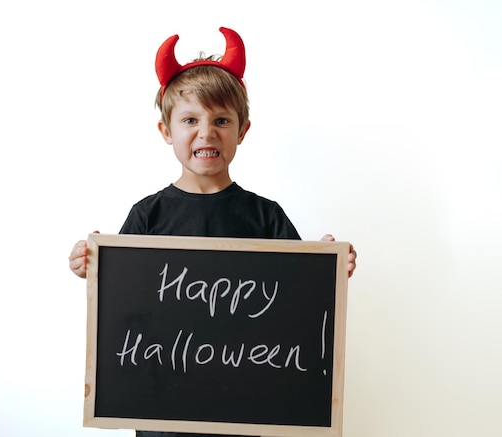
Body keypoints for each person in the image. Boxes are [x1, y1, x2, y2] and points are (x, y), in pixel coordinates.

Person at [69, 27, 357, 436]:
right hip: (161, 413)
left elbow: (301, 298)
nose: (207, 132)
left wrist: (330, 264)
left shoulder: (265, 216)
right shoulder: (147, 217)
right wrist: (90, 265)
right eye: (190, 120)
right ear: (166, 131)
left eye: (221, 120)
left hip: (243, 409)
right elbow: (120, 302)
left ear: (242, 131)